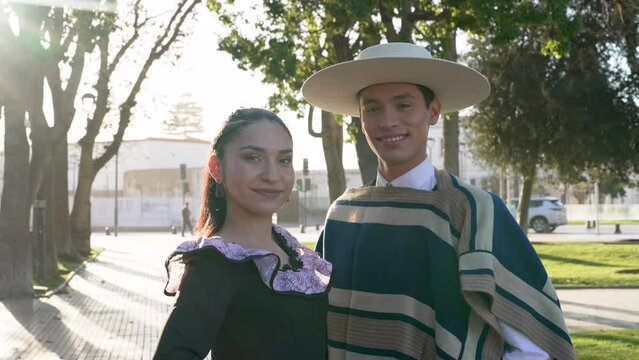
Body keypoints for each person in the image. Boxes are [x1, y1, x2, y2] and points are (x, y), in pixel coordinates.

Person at [302, 42, 575, 360]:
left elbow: (534, 346)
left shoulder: (473, 213)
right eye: (372, 108)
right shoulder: (343, 217)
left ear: (433, 112)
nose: (388, 121)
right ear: (360, 119)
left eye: (403, 105)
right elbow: (315, 320)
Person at [154, 108, 332, 360]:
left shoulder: (294, 253)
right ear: (217, 167)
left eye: (283, 160)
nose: (272, 175)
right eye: (253, 157)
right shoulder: (215, 263)